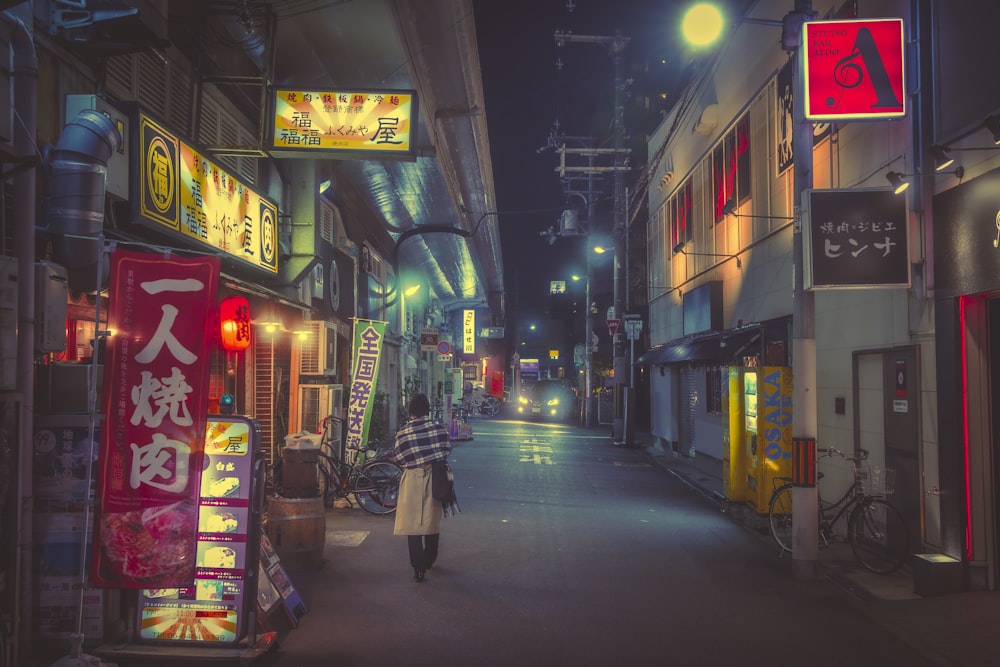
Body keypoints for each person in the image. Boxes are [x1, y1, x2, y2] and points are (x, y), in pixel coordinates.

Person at [393, 393, 452, 583]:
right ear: (427, 410)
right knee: (431, 521)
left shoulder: (403, 432)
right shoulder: (439, 429)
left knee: (413, 524)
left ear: (411, 412)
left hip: (412, 478)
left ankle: (418, 569)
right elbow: (446, 451)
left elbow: (400, 458)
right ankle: (429, 559)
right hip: (434, 477)